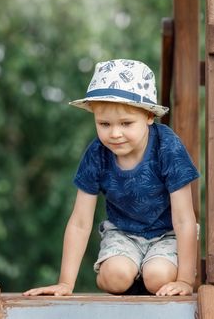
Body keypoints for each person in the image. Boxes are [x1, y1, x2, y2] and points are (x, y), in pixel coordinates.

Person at [23, 59, 199, 297]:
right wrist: (65, 283)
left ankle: (148, 277)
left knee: (158, 278)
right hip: (123, 233)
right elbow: (80, 222)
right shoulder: (97, 154)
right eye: (104, 123)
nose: (115, 133)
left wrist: (186, 281)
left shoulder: (167, 147)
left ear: (148, 116)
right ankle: (130, 276)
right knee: (114, 277)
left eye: (126, 123)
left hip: (167, 234)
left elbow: (184, 219)